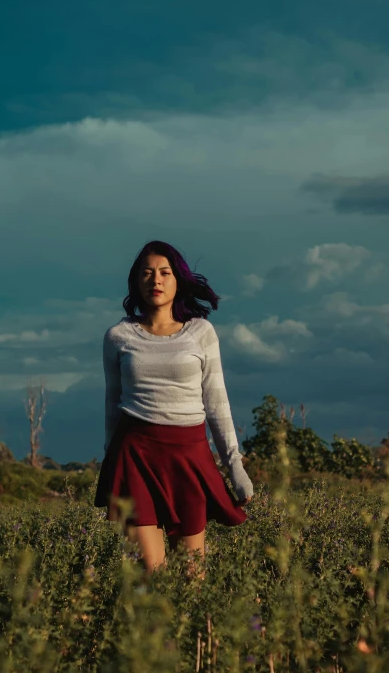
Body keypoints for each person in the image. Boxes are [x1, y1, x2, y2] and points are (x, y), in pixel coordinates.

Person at [94, 240, 254, 580]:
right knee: (151, 574)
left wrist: (234, 465)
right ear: (136, 282)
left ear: (177, 279)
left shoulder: (201, 332)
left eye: (165, 272)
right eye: (147, 273)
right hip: (135, 454)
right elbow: (112, 402)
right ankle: (153, 632)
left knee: (192, 577)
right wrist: (110, 462)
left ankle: (193, 635)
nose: (156, 280)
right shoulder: (118, 336)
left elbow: (216, 401)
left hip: (189, 456)